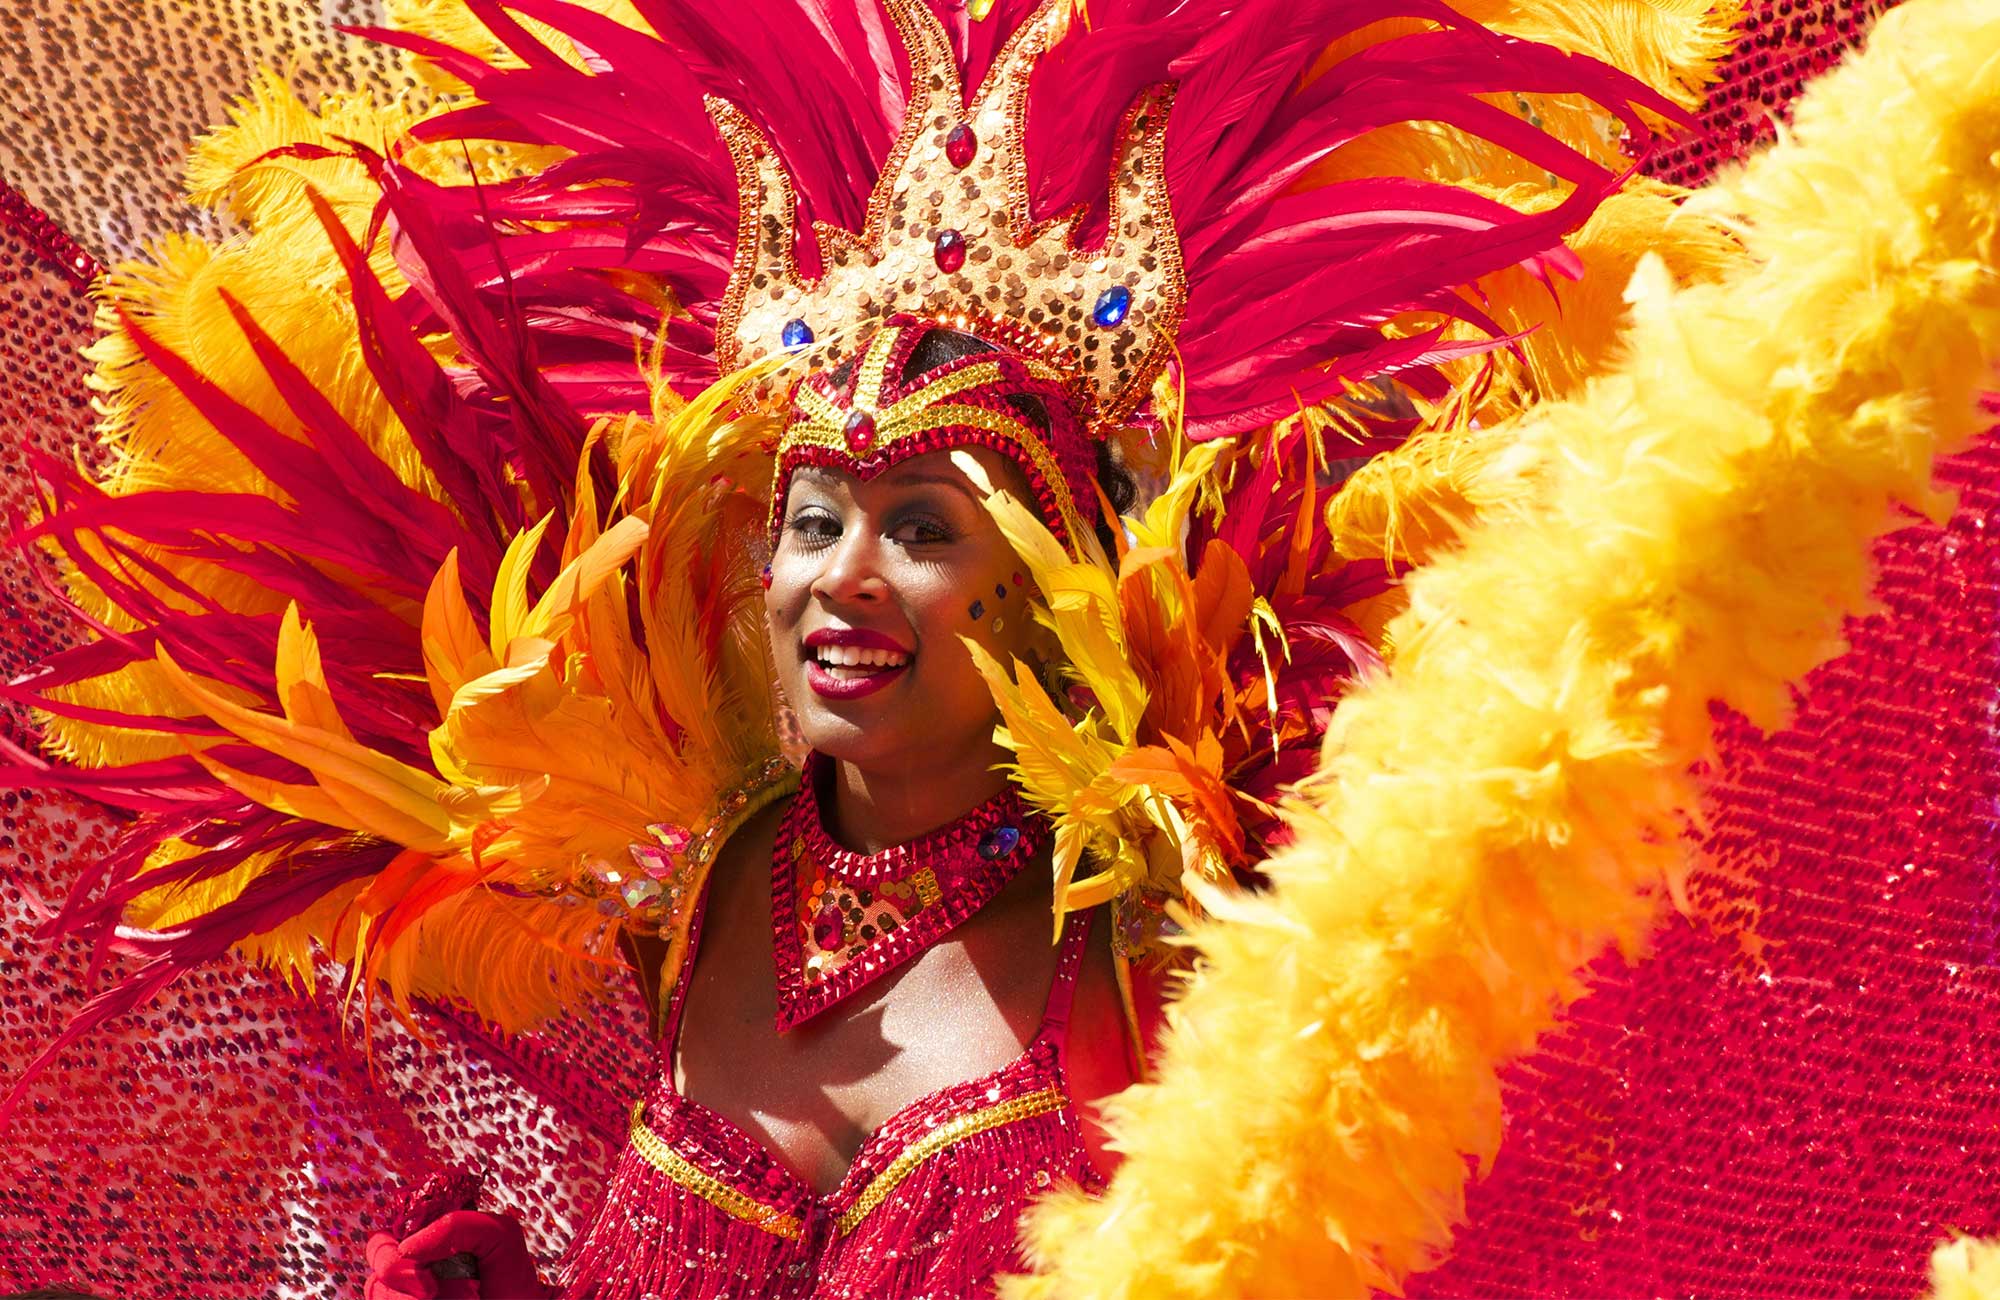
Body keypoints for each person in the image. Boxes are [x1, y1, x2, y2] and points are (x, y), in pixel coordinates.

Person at [4, 0, 1718, 1295]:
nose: (843, 580)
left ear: (1048, 583)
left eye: (922, 529)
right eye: (817, 520)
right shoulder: (706, 864)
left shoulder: (1158, 936)